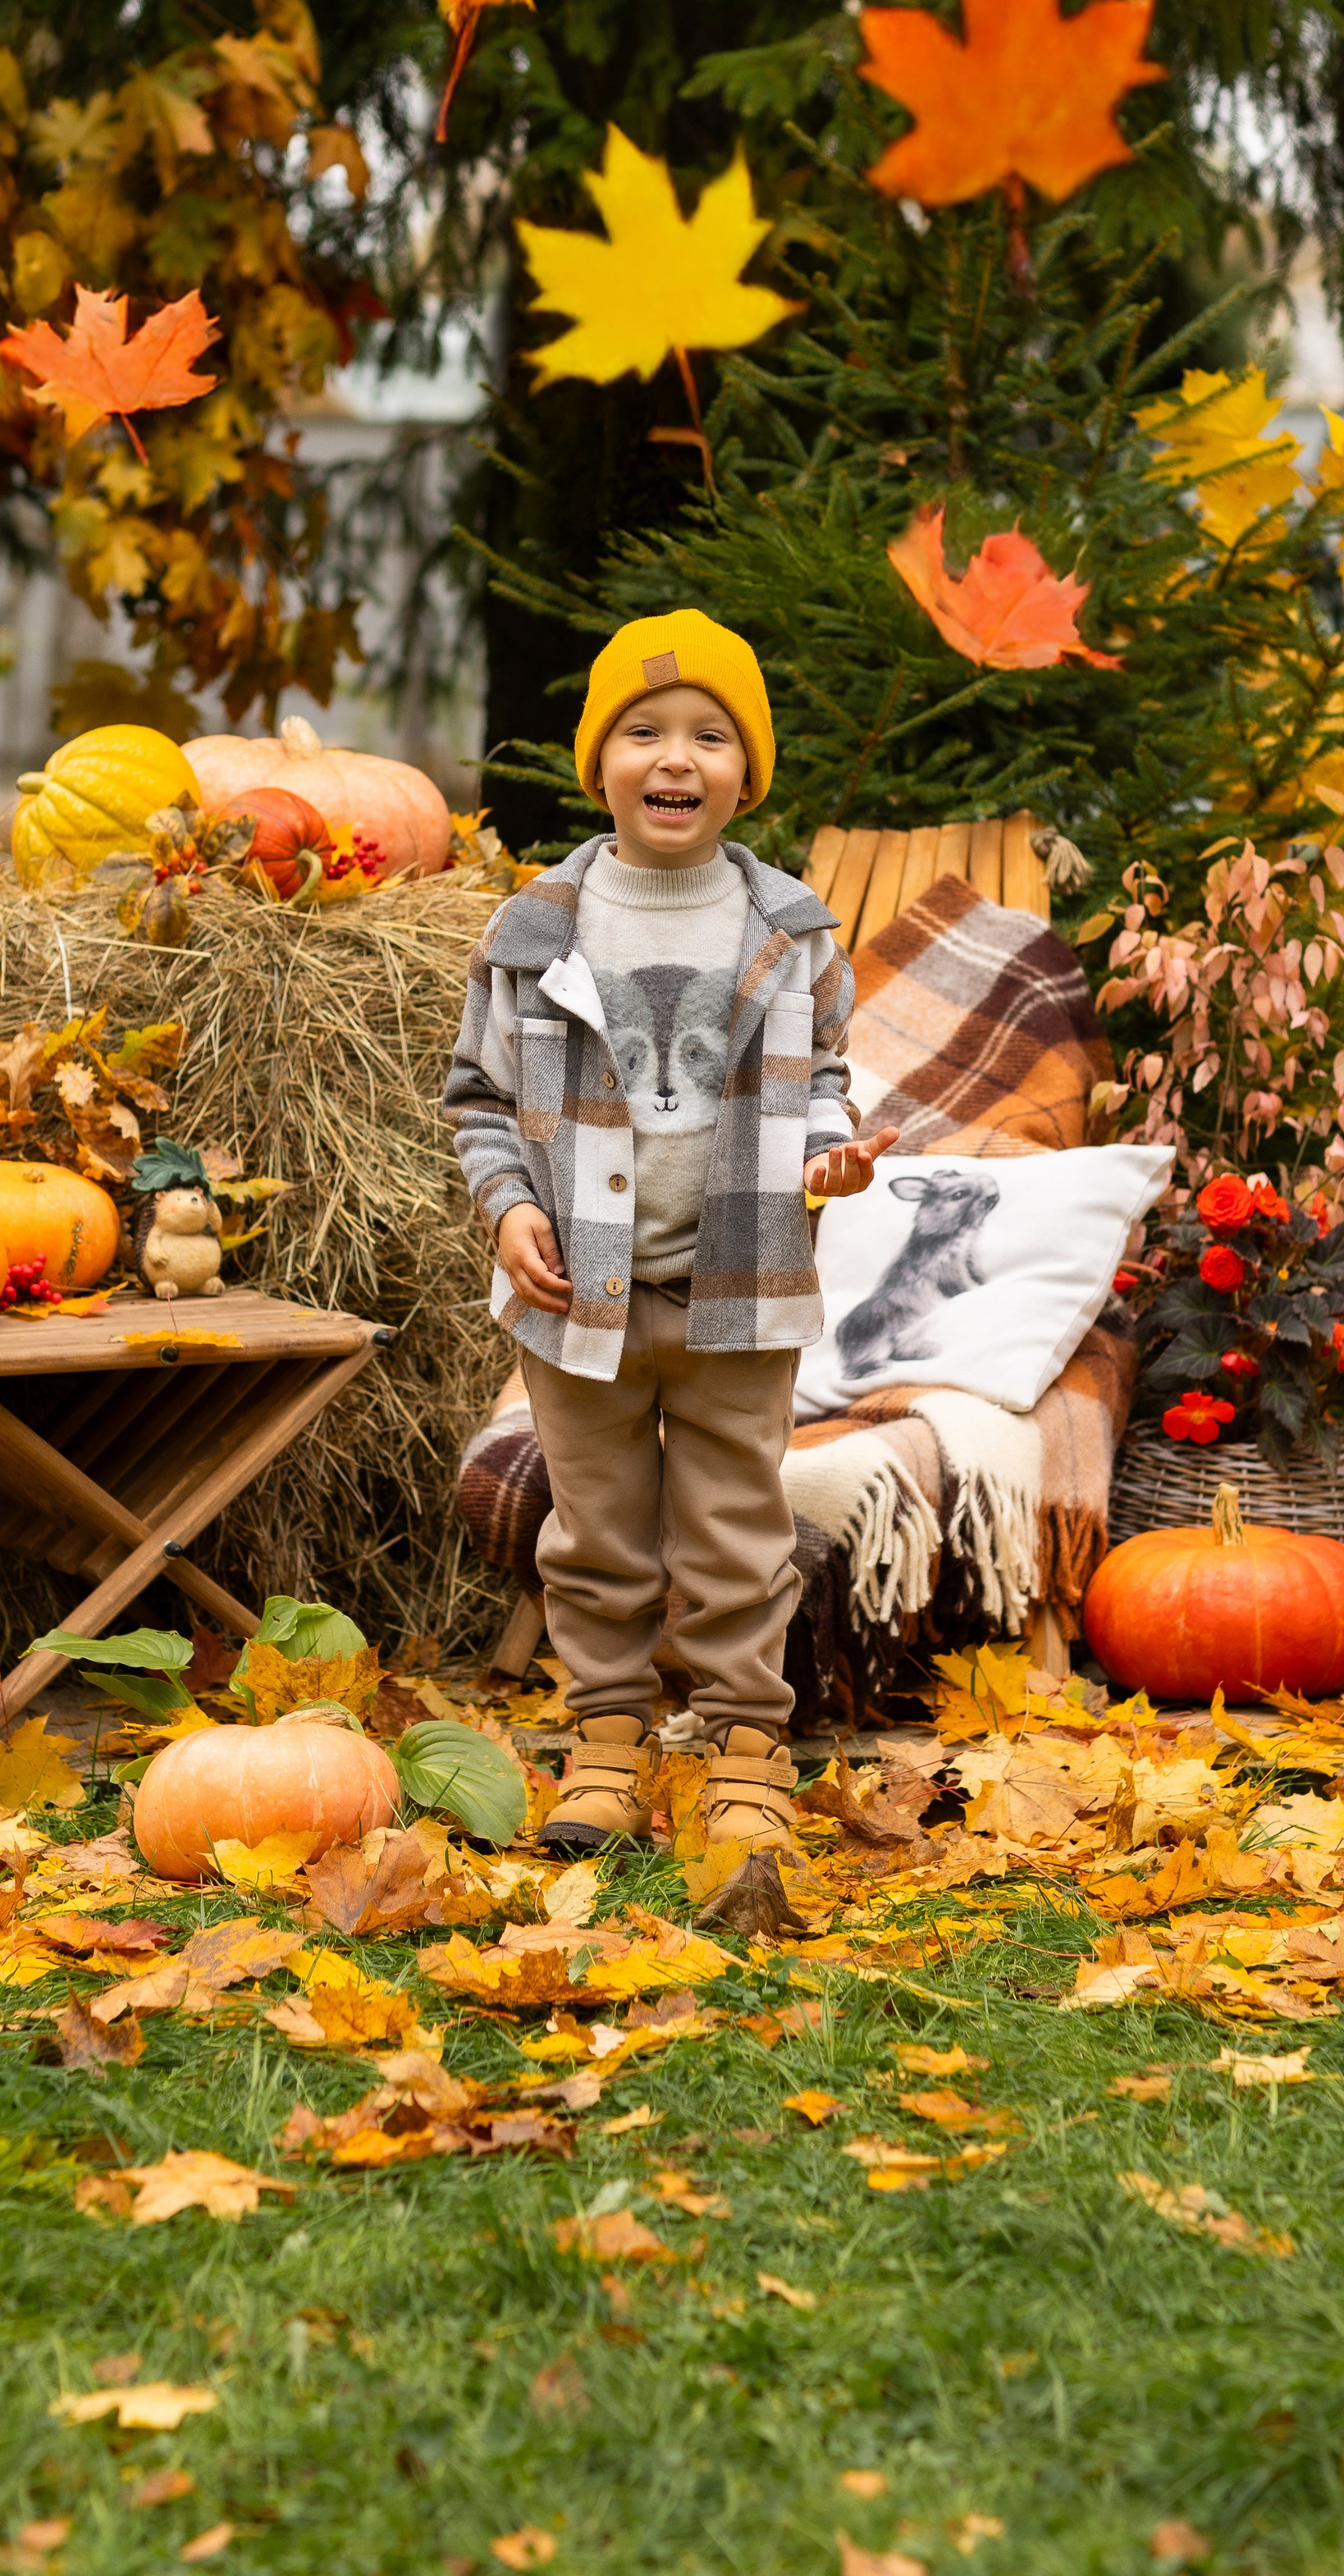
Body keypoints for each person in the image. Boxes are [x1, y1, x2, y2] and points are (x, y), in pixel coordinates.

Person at [445, 609, 893, 1854]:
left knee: (738, 1535)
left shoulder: (791, 932)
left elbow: (825, 1079)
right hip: (576, 1292)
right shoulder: (533, 930)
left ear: (748, 774)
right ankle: (606, 1739)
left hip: (738, 1285)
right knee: (593, 1535)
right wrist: (510, 1207)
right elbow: (480, 1098)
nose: (676, 757)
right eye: (643, 731)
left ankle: (746, 1745)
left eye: (710, 734)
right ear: (600, 764)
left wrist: (830, 1153)